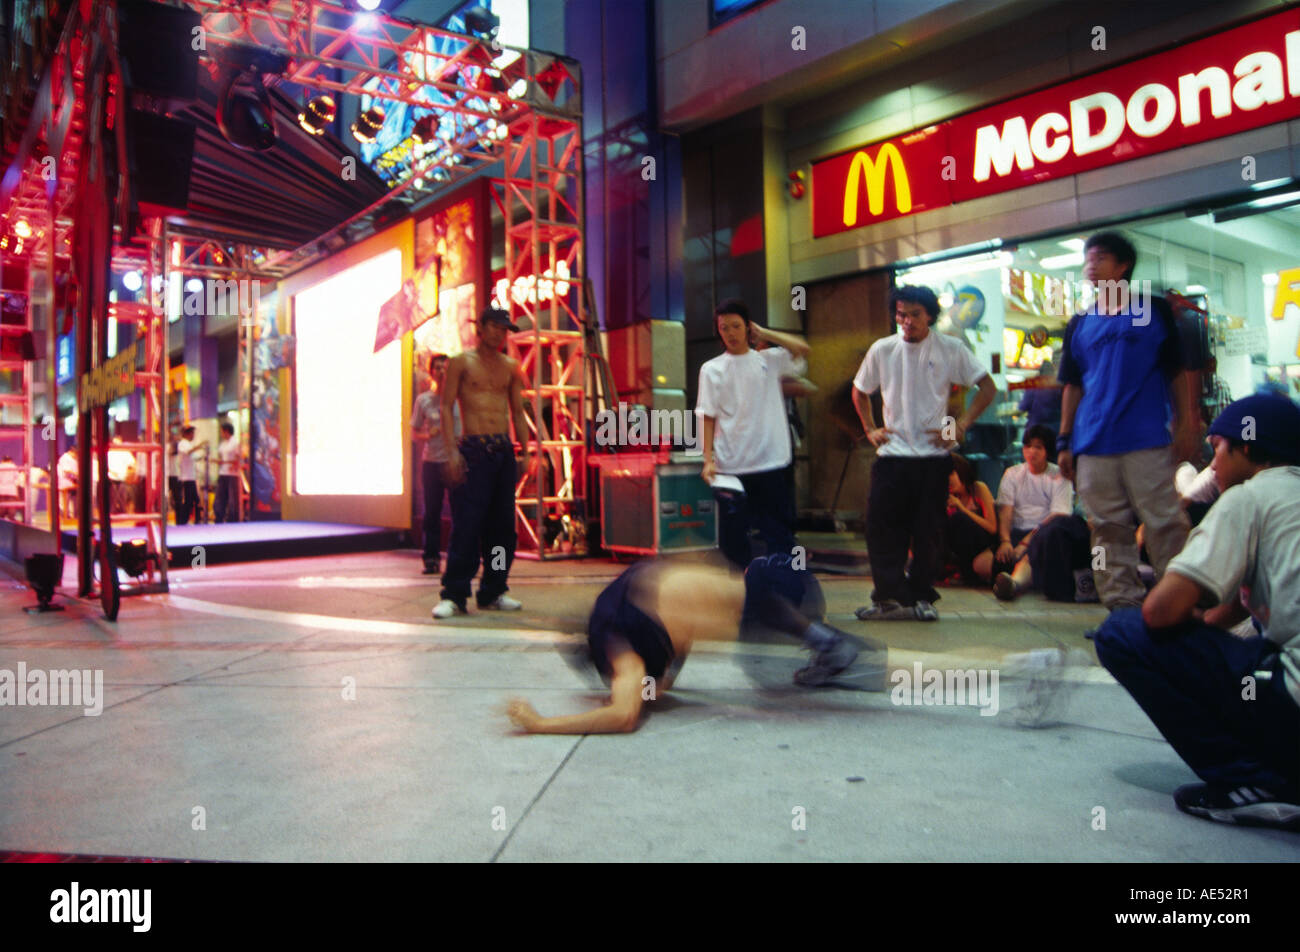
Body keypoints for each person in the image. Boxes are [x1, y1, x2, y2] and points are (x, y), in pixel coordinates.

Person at [1093, 394, 1300, 830]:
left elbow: (1159, 611)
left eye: (1217, 450)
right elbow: (1249, 605)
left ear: (1245, 448)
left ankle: (1251, 783)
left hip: (1292, 705)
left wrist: (1188, 629)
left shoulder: (1251, 497)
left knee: (1122, 632)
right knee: (1252, 651)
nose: (1214, 465)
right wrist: (1208, 629)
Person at [506, 553, 885, 734]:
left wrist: (541, 724)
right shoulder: (631, 594)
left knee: (897, 671)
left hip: (768, 606)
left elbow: (623, 716)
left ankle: (827, 642)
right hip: (773, 579)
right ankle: (823, 639)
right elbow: (663, 677)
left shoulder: (618, 642)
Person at [1057, 231, 1200, 613]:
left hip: (1145, 438)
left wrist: (1187, 424)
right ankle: (1121, 607)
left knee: (1166, 523)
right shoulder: (1080, 323)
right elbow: (1072, 385)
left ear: (1122, 267)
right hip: (1092, 444)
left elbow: (1176, 371)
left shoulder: (1153, 311)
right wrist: (1064, 440)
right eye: (1087, 257)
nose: (1090, 264)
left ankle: (1181, 605)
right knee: (1105, 531)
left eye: (1100, 257)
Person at [852, 285, 997, 621]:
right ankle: (886, 595)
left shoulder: (951, 348)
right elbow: (860, 392)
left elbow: (987, 387)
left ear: (930, 315)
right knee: (880, 528)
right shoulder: (882, 349)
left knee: (928, 530)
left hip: (933, 458)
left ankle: (922, 596)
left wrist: (958, 427)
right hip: (892, 456)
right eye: (901, 314)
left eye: (915, 314)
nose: (907, 321)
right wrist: (871, 428)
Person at [433, 307, 532, 619]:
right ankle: (454, 593)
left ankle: (495, 588)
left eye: (505, 330)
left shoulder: (511, 367)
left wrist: (526, 452)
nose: (501, 334)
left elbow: (518, 412)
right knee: (466, 527)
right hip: (473, 450)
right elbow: (446, 407)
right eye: (496, 327)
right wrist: (451, 451)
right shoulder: (462, 362)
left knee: (502, 531)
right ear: (482, 328)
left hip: (502, 451)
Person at [696, 299, 810, 569]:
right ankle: (739, 594)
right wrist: (707, 458)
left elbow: (803, 348)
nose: (731, 333)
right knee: (733, 538)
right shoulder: (711, 369)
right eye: (724, 328)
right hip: (730, 466)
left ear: (748, 328)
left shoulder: (770, 361)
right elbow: (707, 416)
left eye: (736, 326)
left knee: (779, 534)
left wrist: (766, 334)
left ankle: (782, 591)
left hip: (771, 461)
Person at [986, 424, 1075, 600]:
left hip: (1045, 535)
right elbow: (1005, 510)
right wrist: (1005, 541)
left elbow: (1057, 516)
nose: (1031, 452)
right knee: (986, 563)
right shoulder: (1013, 474)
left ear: (1047, 451)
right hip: (1016, 533)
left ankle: (1014, 584)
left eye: (1038, 447)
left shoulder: (1059, 475)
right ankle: (1020, 580)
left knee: (1032, 556)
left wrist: (1026, 544)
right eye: (1028, 446)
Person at [410, 352, 459, 575]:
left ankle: (460, 557)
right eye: (437, 368)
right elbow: (414, 433)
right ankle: (431, 558)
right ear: (431, 372)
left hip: (457, 461)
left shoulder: (460, 398)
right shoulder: (424, 400)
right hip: (432, 463)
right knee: (432, 512)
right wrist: (428, 435)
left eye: (445, 368)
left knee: (461, 512)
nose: (442, 372)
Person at [942, 452, 997, 584]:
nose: (948, 480)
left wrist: (961, 508)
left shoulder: (978, 488)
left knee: (959, 519)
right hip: (959, 549)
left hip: (984, 542)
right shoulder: (946, 496)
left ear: (961, 471)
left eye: (951, 474)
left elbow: (992, 528)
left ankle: (967, 574)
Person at [174, 424, 206, 525]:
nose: (193, 435)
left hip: (191, 477)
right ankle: (183, 521)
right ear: (186, 434)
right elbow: (188, 452)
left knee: (195, 500)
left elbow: (195, 456)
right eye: (192, 433)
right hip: (185, 478)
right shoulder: (182, 444)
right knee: (188, 501)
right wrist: (199, 446)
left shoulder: (188, 444)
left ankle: (196, 520)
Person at [214, 422, 241, 523]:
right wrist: (220, 461)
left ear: (226, 431)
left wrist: (227, 463)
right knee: (220, 498)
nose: (221, 434)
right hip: (223, 473)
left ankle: (232, 520)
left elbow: (238, 459)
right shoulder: (223, 444)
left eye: (222, 431)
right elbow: (221, 456)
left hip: (232, 474)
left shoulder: (235, 442)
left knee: (232, 499)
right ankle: (219, 518)